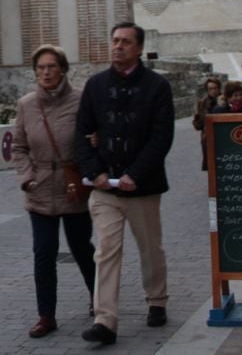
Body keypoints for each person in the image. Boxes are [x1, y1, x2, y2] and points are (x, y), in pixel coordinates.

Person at [75, 22, 174, 346]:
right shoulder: (95, 86)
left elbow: (161, 137)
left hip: (142, 188)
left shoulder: (157, 87)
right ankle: (105, 320)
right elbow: (82, 134)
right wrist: (95, 171)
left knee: (150, 249)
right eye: (115, 41)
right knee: (105, 252)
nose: (118, 46)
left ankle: (156, 299)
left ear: (139, 48)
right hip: (105, 188)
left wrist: (136, 174)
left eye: (125, 42)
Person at [12, 44, 96, 338]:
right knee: (44, 253)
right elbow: (19, 147)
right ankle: (46, 315)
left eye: (51, 66)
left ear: (62, 69)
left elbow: (91, 139)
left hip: (73, 187)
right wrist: (27, 177)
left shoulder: (81, 100)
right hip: (40, 188)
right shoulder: (26, 105)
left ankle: (99, 302)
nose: (46, 73)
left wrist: (88, 175)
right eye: (40, 68)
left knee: (82, 249)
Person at [194, 78, 221, 171]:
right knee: (210, 165)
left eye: (215, 88)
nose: (213, 91)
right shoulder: (202, 103)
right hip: (207, 137)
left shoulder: (224, 101)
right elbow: (198, 123)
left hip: (221, 135)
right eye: (210, 88)